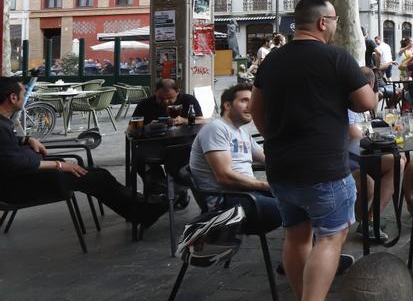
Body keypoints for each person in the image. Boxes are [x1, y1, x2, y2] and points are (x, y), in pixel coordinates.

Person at [251, 0, 376, 301]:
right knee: (331, 237)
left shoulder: (272, 61)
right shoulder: (335, 58)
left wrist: (276, 138)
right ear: (323, 23)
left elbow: (257, 112)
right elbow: (366, 103)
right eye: (335, 19)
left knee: (296, 236)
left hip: (281, 167)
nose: (336, 25)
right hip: (322, 166)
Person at [0, 77, 167, 228]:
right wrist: (59, 165)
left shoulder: (4, 123)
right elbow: (14, 163)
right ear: (13, 98)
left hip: (27, 176)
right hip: (18, 186)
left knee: (100, 174)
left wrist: (27, 140)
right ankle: (143, 211)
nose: (26, 96)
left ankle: (141, 209)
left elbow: (10, 148)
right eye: (23, 93)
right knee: (98, 178)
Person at [188, 83, 279, 233]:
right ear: (228, 105)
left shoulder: (242, 132)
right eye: (244, 100)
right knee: (298, 211)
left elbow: (269, 158)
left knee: (303, 200)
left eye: (252, 101)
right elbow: (225, 177)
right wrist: (264, 185)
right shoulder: (216, 128)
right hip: (226, 202)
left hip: (247, 194)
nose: (250, 106)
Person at [347, 67, 398, 242]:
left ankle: (369, 220)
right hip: (347, 158)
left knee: (399, 161)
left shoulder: (359, 104)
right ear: (370, 84)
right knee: (397, 163)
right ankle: (369, 220)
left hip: (359, 156)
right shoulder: (350, 105)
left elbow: (366, 131)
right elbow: (356, 137)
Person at [132, 78, 205, 124]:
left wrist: (184, 120)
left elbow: (201, 120)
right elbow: (131, 128)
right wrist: (148, 127)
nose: (165, 101)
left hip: (183, 140)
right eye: (161, 98)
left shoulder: (189, 100)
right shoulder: (144, 104)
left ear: (177, 92)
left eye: (170, 98)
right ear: (155, 92)